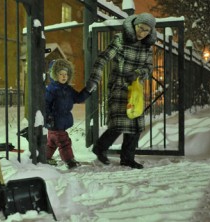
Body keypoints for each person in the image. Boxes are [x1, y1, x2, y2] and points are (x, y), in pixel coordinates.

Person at [85, 12, 157, 169]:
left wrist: (138, 73)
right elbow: (103, 58)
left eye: (146, 30)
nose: (142, 32)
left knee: (135, 125)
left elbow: (149, 67)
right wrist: (94, 79)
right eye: (140, 28)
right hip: (119, 86)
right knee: (119, 123)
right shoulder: (120, 40)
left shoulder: (147, 47)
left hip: (135, 88)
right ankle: (100, 148)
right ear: (134, 25)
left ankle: (127, 158)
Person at [45, 59, 91, 169]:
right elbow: (45, 104)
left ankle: (44, 158)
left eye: (66, 74)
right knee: (64, 142)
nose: (64, 76)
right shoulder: (51, 89)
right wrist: (48, 117)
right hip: (55, 121)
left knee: (52, 143)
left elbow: (78, 98)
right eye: (60, 74)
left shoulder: (68, 89)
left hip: (60, 122)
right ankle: (69, 160)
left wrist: (88, 90)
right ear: (54, 74)